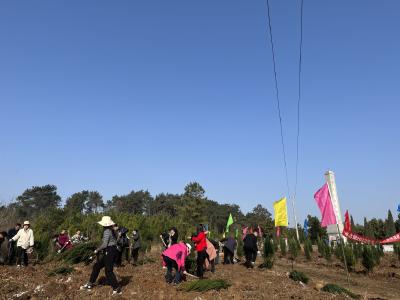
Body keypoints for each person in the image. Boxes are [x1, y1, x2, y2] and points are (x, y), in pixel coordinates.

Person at [80, 216, 121, 295]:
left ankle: (117, 289)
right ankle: (90, 283)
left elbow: (105, 244)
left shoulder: (107, 231)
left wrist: (97, 250)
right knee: (97, 266)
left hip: (110, 251)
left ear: (104, 224)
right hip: (110, 251)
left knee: (108, 271)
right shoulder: (111, 230)